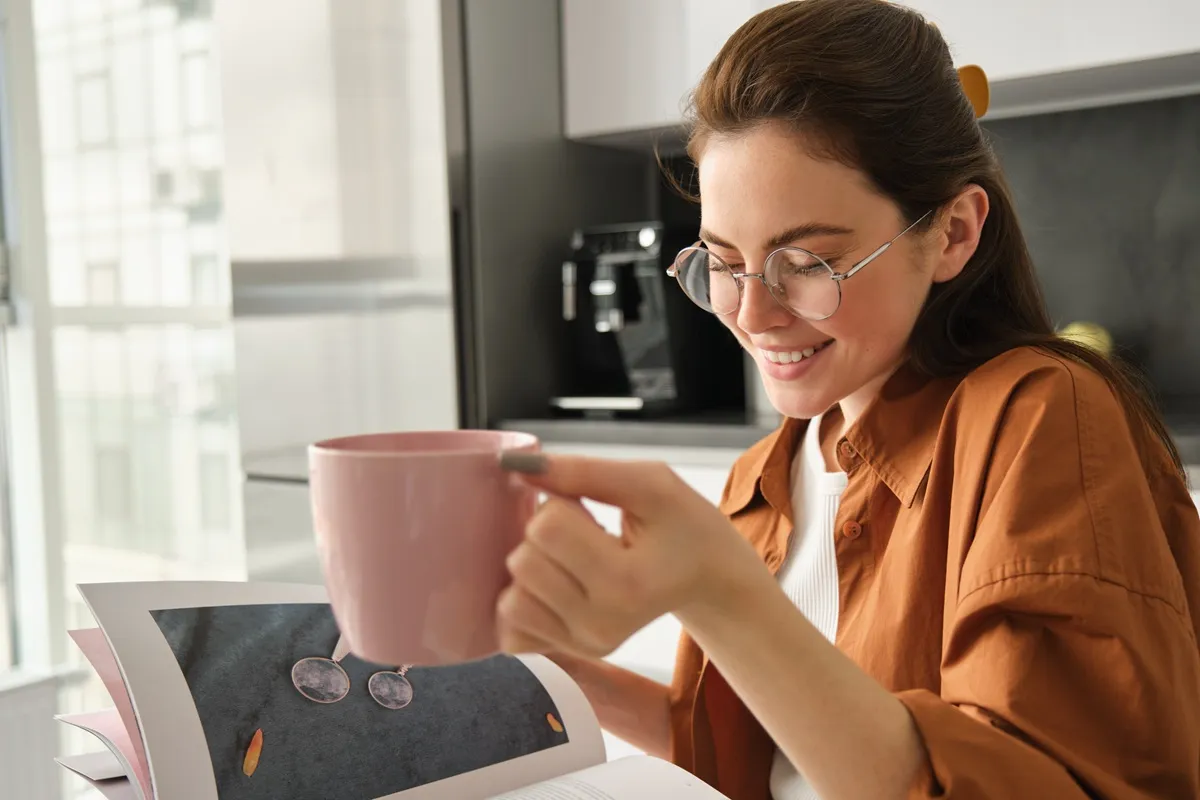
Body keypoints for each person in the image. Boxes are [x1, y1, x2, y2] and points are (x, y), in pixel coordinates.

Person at [494, 1, 1200, 798]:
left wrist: (719, 593)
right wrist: (523, 658)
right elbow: (755, 756)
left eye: (805, 261)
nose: (753, 315)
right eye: (723, 263)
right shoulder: (765, 474)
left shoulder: (1041, 418)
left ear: (955, 234)